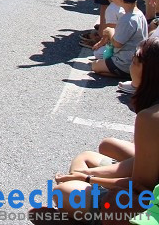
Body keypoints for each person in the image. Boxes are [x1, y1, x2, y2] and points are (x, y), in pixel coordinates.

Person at [35, 38, 159, 222]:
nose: (130, 64)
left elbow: (142, 187)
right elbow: (141, 164)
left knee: (62, 192)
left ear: (149, 72)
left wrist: (88, 180)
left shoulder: (150, 118)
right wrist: (87, 174)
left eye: (134, 59)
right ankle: (83, 207)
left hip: (150, 201)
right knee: (91, 154)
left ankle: (89, 216)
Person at [90, 0, 148, 82]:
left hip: (125, 61)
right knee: (99, 63)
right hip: (136, 59)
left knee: (95, 66)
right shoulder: (139, 14)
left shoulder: (127, 19)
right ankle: (130, 72)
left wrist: (110, 32)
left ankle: (126, 74)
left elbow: (117, 43)